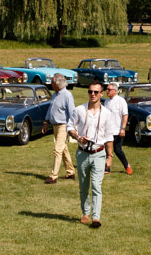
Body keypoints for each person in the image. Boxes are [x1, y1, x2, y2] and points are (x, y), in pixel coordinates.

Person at [68, 82, 117, 228]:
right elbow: (70, 126)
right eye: (90, 92)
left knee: (96, 185)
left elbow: (109, 136)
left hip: (99, 153)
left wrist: (110, 156)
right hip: (83, 153)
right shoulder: (79, 110)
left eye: (96, 92)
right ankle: (85, 213)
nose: (93, 94)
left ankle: (96, 217)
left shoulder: (107, 114)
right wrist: (78, 137)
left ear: (102, 94)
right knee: (83, 186)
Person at [41, 73, 76, 184]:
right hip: (55, 126)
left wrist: (72, 127)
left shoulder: (67, 95)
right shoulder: (55, 94)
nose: (50, 84)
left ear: (58, 84)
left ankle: (53, 176)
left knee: (57, 150)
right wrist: (46, 122)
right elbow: (50, 109)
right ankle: (70, 172)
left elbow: (72, 112)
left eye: (52, 82)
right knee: (63, 149)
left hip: (63, 126)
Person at [103, 82, 132, 175]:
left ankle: (127, 166)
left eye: (109, 89)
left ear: (115, 91)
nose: (107, 91)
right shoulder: (106, 102)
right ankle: (107, 168)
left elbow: (125, 115)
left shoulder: (121, 101)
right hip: (108, 131)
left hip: (117, 130)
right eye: (106, 89)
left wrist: (123, 128)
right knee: (106, 150)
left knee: (117, 150)